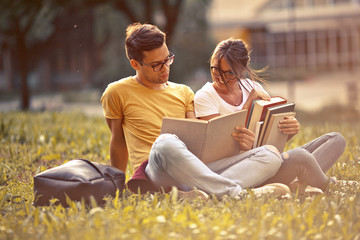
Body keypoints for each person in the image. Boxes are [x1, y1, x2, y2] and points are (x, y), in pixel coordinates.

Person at [101, 22, 290, 200]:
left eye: (167, 59)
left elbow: (200, 140)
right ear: (135, 64)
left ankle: (197, 195)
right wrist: (116, 187)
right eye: (157, 64)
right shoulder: (117, 92)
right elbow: (118, 141)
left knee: (271, 155)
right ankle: (236, 194)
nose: (165, 68)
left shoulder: (184, 92)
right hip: (157, 170)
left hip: (194, 170)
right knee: (165, 142)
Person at [194, 38, 347, 193]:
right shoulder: (205, 97)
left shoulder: (252, 87)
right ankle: (328, 185)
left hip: (270, 158)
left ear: (242, 69)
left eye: (228, 74)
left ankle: (298, 182)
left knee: (335, 139)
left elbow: (271, 141)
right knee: (300, 156)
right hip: (246, 168)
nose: (219, 77)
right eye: (214, 70)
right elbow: (215, 150)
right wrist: (249, 104)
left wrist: (288, 131)